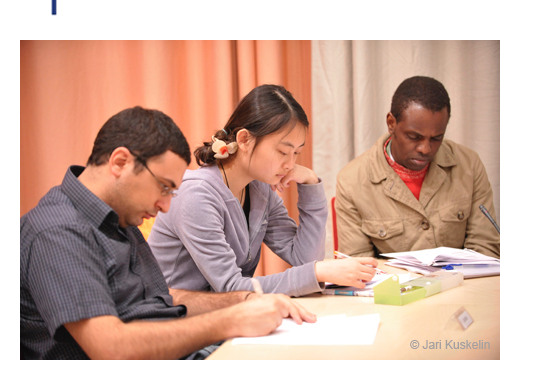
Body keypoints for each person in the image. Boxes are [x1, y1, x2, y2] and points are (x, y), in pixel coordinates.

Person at [20, 107, 315, 360]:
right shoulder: (58, 231)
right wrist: (230, 320)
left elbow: (164, 298)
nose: (165, 206)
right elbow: (111, 348)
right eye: (163, 187)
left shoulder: (116, 217)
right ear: (120, 162)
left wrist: (243, 300)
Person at [148, 85, 378, 297]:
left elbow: (305, 259)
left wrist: (309, 183)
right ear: (244, 139)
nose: (290, 164)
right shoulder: (196, 196)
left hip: (225, 316)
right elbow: (231, 288)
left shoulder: (259, 189)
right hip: (174, 319)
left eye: (296, 153)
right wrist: (317, 272)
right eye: (283, 151)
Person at [335, 76, 500, 259]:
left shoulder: (469, 165)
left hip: (462, 278)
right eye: (414, 137)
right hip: (394, 280)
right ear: (391, 123)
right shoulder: (351, 181)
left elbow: (485, 247)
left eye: (436, 138)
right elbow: (359, 264)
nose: (425, 149)